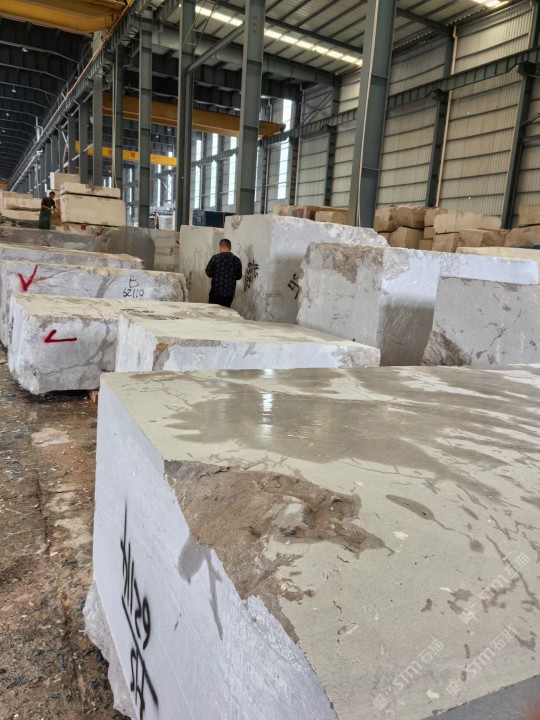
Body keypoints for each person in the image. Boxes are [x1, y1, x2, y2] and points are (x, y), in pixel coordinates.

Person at [205, 238, 242, 308]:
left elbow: (208, 273)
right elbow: (239, 276)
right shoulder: (236, 260)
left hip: (216, 292)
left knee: (212, 312)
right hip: (229, 294)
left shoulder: (215, 258)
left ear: (220, 247)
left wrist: (216, 274)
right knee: (225, 312)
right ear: (230, 248)